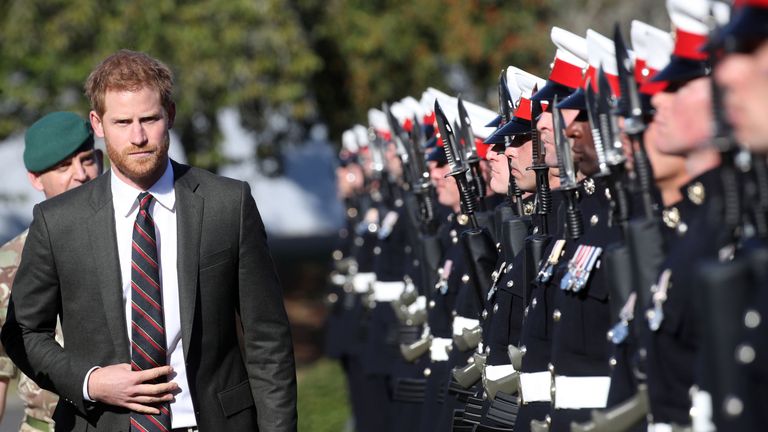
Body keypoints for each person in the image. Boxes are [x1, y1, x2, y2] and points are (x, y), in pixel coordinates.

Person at [1, 50, 296, 432]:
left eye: (149, 119)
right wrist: (91, 381)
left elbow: (267, 338)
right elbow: (22, 331)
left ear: (169, 114)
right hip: (101, 423)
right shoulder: (58, 221)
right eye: (122, 122)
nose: (138, 137)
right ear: (98, 124)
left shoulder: (228, 204)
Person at [0, 111, 102, 432]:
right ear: (35, 178)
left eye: (87, 160)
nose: (81, 174)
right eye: (62, 167)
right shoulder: (9, 264)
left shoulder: (137, 241)